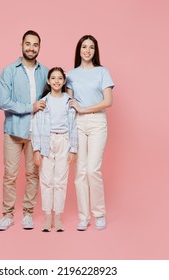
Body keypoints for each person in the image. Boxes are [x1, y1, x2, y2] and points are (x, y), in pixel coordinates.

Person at [0, 30, 48, 231]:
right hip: (14, 131)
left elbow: (55, 92)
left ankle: (28, 213)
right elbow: (4, 101)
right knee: (10, 175)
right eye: (28, 44)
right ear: (22, 45)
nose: (31, 48)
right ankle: (8, 215)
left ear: (39, 47)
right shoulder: (9, 71)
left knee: (32, 174)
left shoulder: (45, 71)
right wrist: (30, 107)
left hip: (36, 132)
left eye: (35, 45)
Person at [66, 35, 114, 231]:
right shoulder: (71, 74)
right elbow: (69, 104)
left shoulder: (102, 72)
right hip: (77, 123)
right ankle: (83, 217)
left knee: (93, 169)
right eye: (84, 47)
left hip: (97, 122)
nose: (87, 50)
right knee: (80, 171)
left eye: (91, 47)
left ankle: (99, 214)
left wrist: (84, 109)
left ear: (95, 51)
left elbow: (108, 101)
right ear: (79, 50)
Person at [32, 67, 77, 232]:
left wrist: (73, 149)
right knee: (46, 180)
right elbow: (35, 127)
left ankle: (58, 216)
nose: (57, 81)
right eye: (53, 78)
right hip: (47, 141)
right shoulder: (43, 102)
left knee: (61, 180)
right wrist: (36, 149)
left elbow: (74, 126)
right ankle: (47, 216)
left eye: (60, 78)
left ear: (64, 81)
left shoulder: (69, 102)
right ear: (48, 81)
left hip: (64, 140)